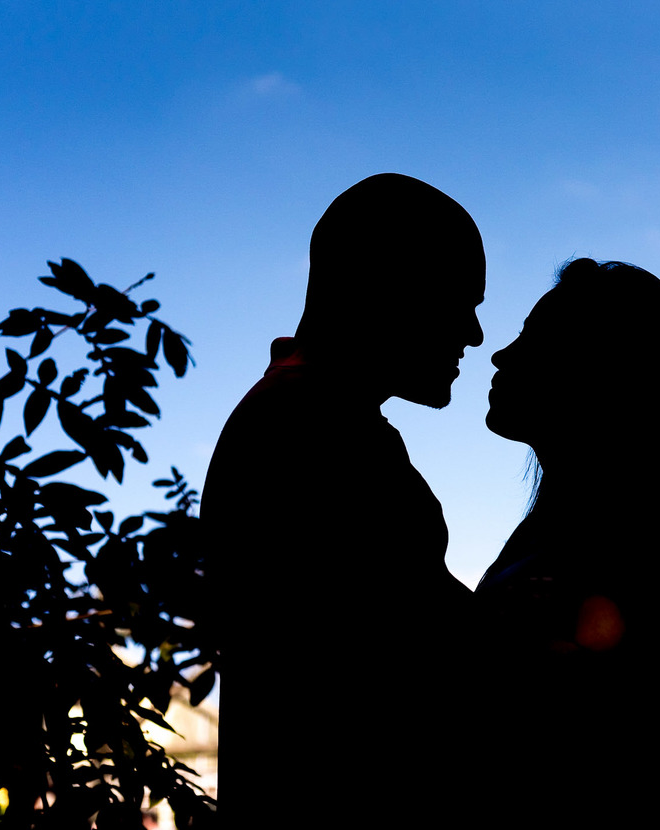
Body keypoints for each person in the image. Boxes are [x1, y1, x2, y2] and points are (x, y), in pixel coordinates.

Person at [201, 174, 485, 825]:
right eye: (460, 299)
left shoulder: (300, 418)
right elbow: (438, 668)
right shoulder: (315, 434)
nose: (472, 333)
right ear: (387, 283)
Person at [476, 258, 660, 828]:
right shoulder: (577, 536)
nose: (500, 355)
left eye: (533, 341)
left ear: (596, 372)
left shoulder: (603, 555)